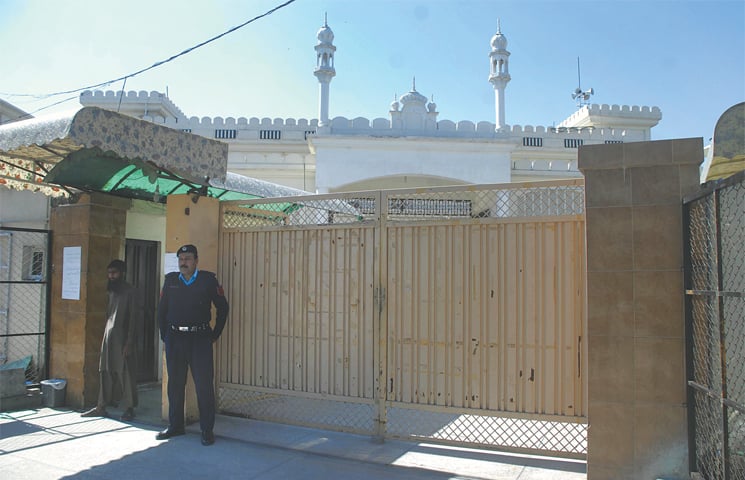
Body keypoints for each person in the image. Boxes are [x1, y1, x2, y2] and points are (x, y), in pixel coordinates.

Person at [156, 244, 229, 446]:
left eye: (187, 258)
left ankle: (206, 430)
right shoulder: (170, 281)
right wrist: (165, 336)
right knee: (175, 385)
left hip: (200, 340)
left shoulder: (207, 280)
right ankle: (176, 426)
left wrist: (214, 334)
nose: (183, 262)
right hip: (175, 339)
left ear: (196, 261)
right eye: (181, 259)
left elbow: (223, 308)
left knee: (204, 386)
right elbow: (161, 312)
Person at [81, 260, 139, 421]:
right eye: (109, 273)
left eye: (114, 273)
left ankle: (129, 408)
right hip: (109, 337)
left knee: (126, 373)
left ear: (122, 273)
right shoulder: (111, 291)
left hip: (123, 339)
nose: (111, 276)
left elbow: (133, 319)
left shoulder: (130, 291)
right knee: (105, 370)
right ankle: (101, 406)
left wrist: (129, 342)